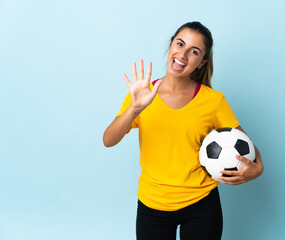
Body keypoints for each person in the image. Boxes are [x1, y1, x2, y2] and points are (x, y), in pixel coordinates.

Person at [103, 21, 264, 240]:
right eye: (180, 44)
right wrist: (135, 108)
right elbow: (108, 140)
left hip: (201, 204)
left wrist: (258, 169)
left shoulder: (213, 101)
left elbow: (244, 143)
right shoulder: (142, 94)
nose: (183, 55)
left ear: (202, 62)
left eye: (194, 51)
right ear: (171, 45)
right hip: (153, 205)